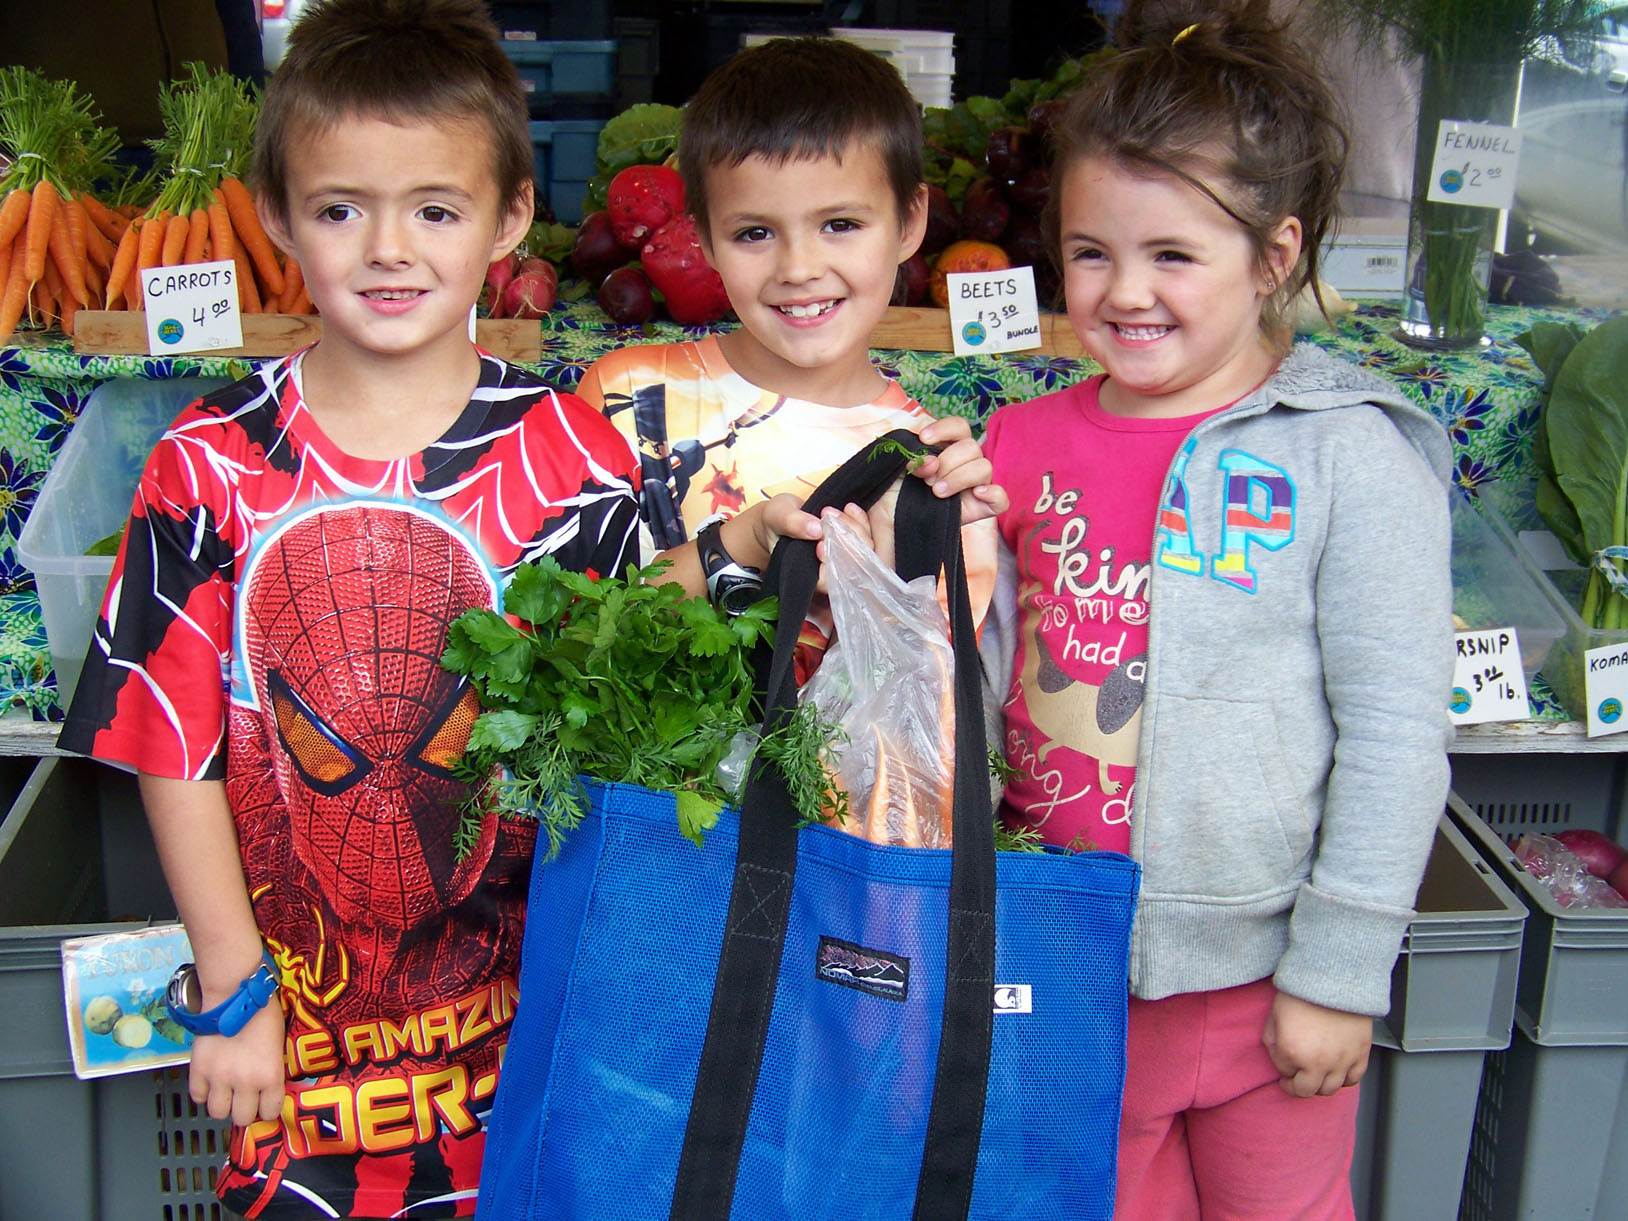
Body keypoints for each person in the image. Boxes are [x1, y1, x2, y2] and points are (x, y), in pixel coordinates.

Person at [57, 1, 640, 1216]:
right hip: (295, 1052)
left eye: (435, 208)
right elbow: (173, 749)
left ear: (510, 218)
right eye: (340, 209)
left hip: (531, 1034)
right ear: (276, 216)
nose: (389, 248)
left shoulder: (579, 462)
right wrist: (231, 993)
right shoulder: (209, 461)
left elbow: (623, 753)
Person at [979, 3, 1453, 1217]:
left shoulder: (1349, 457)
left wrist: (1339, 974)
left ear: (1275, 254)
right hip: (1063, 960)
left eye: (1173, 256)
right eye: (1089, 253)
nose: (1124, 293)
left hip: (1266, 980)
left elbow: (1398, 735)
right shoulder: (1018, 443)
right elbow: (973, 680)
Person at [574, 35, 1004, 670]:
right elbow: (571, 637)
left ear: (910, 224)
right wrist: (741, 544)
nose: (799, 268)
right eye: (755, 233)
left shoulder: (927, 471)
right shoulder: (629, 396)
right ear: (706, 243)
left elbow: (919, 715)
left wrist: (908, 549)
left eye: (840, 224)